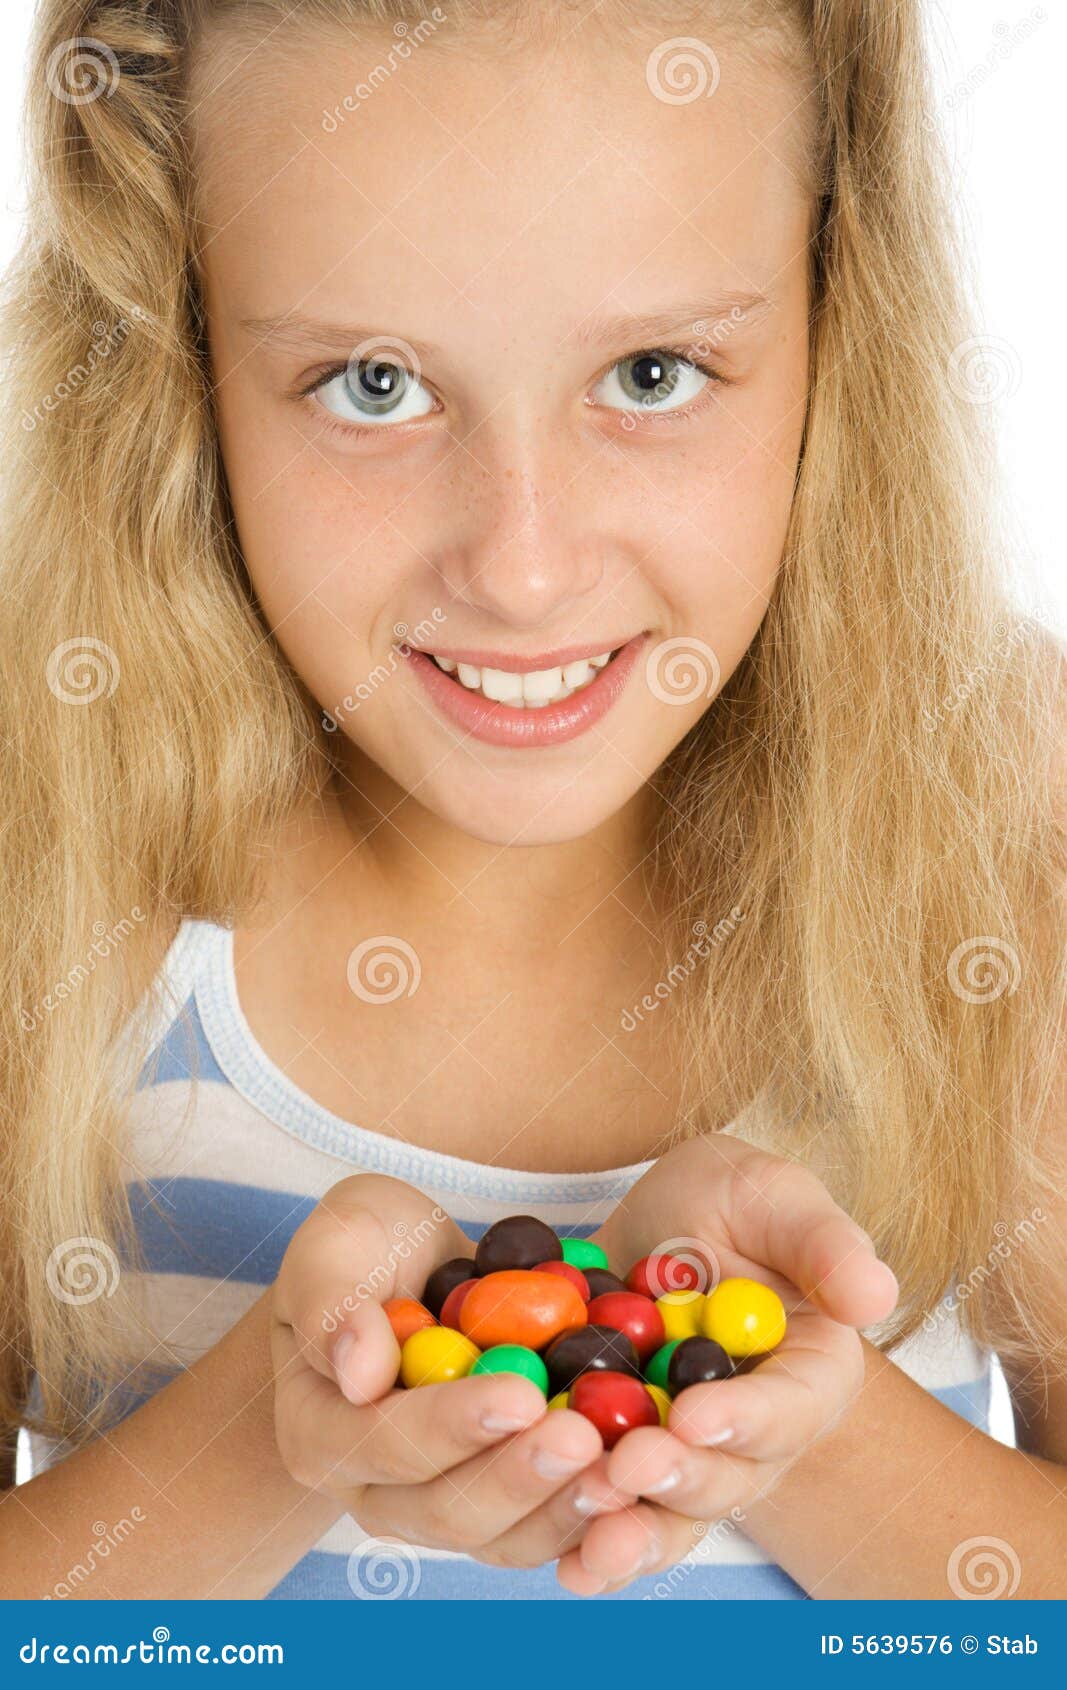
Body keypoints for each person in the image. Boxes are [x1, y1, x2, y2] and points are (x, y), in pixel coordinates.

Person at [1, 0, 1064, 1600]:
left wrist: (789, 1418)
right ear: (178, 357)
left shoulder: (994, 811)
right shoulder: (44, 825)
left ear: (839, 326)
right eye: (371, 383)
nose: (522, 565)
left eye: (653, 370)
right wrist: (272, 1424)